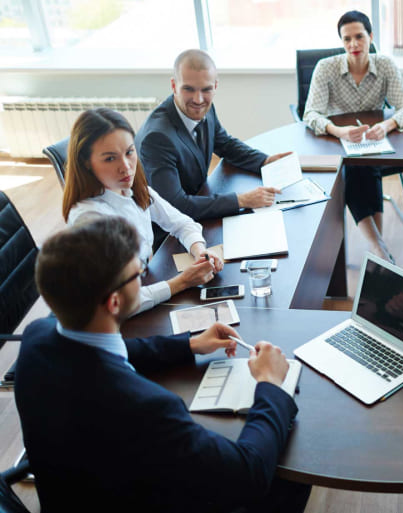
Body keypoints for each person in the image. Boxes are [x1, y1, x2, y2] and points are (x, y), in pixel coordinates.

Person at [14, 216, 310, 513]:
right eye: (138, 273)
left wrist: (188, 344)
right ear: (114, 303)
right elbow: (248, 475)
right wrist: (271, 384)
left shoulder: (36, 339)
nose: (143, 277)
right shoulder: (146, 408)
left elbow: (110, 351)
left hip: (73, 495)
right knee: (289, 467)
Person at [63, 107, 221, 315]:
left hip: (145, 285)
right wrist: (182, 282)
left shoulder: (132, 188)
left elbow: (182, 223)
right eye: (110, 158)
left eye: (129, 152)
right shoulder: (89, 219)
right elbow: (117, 304)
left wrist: (200, 251)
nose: (126, 167)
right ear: (86, 163)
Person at [303, 10, 403, 262]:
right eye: (346, 39)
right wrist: (338, 130)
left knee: (364, 167)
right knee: (356, 168)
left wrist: (387, 125)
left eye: (359, 37)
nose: (353, 44)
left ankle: (378, 250)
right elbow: (310, 114)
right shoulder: (326, 68)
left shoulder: (385, 65)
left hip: (373, 141)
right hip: (335, 143)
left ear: (371, 36)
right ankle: (379, 249)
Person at [136, 49, 291, 220]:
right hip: (170, 231)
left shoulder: (205, 109)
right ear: (174, 86)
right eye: (188, 89)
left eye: (206, 89)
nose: (198, 99)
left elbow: (225, 144)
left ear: (215, 86)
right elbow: (176, 206)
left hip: (200, 201)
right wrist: (241, 200)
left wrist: (265, 161)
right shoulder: (157, 138)